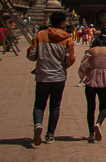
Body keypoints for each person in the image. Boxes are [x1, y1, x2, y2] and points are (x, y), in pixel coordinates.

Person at [27, 10, 76, 146]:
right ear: (61, 23)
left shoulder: (40, 35)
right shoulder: (67, 38)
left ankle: (37, 125)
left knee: (39, 105)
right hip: (59, 77)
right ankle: (50, 135)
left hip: (42, 76)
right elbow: (70, 59)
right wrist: (63, 66)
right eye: (65, 22)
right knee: (55, 106)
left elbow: (30, 55)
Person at [79, 35, 106, 143]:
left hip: (90, 82)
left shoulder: (89, 52)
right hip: (104, 83)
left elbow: (83, 67)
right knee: (104, 107)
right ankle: (98, 123)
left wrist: (82, 76)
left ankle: (91, 133)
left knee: (91, 108)